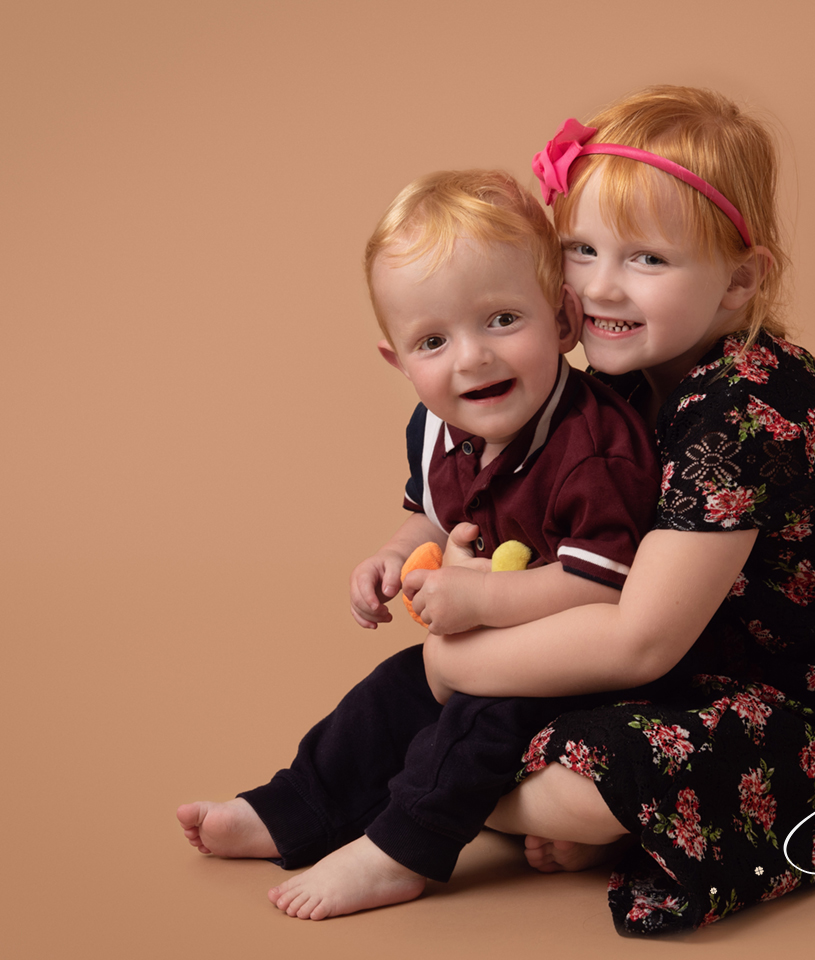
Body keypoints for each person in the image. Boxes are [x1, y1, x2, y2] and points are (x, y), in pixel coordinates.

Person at [418, 86, 815, 935]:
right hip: (689, 673)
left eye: (648, 260)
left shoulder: (746, 413)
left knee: (523, 748)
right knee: (485, 713)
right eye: (579, 250)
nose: (603, 287)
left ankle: (488, 796)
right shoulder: (612, 382)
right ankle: (506, 789)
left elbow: (638, 638)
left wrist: (456, 665)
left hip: (808, 717)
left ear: (739, 280)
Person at [176, 169, 661, 920]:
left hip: (592, 663)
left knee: (480, 717)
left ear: (563, 321)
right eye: (433, 340)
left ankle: (401, 852)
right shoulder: (440, 429)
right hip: (497, 643)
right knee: (389, 697)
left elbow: (605, 585)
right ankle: (291, 809)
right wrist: (393, 556)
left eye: (503, 319)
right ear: (399, 362)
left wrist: (483, 598)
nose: (471, 358)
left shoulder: (594, 449)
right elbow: (435, 517)